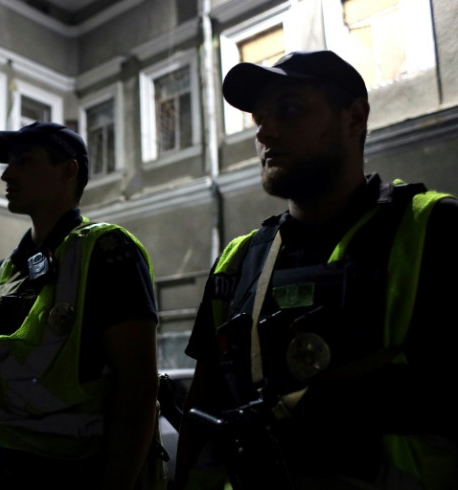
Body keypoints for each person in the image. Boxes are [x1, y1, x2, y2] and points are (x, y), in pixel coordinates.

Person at [174, 50, 458, 490]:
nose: (266, 132)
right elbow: (203, 408)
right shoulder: (239, 260)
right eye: (259, 119)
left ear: (354, 118)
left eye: (288, 110)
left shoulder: (437, 229)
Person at [0, 121, 162, 490]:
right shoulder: (7, 270)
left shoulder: (107, 251)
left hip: (72, 471)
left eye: (25, 161)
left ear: (68, 170)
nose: (6, 173)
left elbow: (138, 387)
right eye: (8, 163)